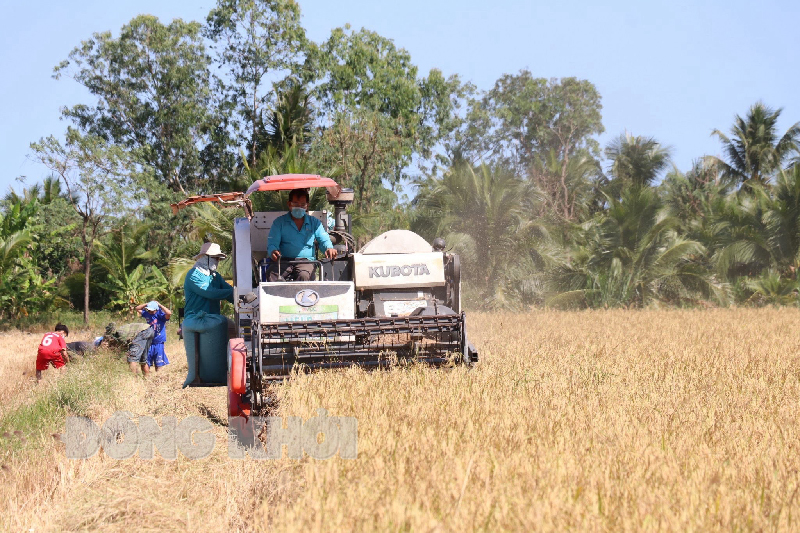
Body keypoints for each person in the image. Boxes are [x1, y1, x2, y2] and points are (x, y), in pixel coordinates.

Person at [182, 242, 234, 387]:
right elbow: (209, 292)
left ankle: (229, 372)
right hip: (195, 317)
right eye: (215, 258)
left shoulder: (215, 277)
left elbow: (229, 292)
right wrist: (232, 293)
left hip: (212, 318)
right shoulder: (193, 275)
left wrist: (240, 296)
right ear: (205, 258)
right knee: (224, 325)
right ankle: (198, 377)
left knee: (237, 331)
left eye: (218, 259)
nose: (218, 262)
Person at [266, 188, 337, 282]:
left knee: (304, 275)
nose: (299, 207)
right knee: (272, 274)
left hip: (306, 261)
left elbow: (324, 239)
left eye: (302, 204)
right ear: (289, 204)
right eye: (295, 204)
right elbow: (272, 243)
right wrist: (273, 251)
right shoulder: (279, 223)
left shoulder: (315, 223)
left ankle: (301, 296)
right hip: (283, 261)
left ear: (307, 206)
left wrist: (329, 248)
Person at [135, 300, 172, 371]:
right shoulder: (147, 314)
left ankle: (158, 377)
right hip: (148, 342)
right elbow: (137, 309)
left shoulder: (161, 316)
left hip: (158, 343)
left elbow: (169, 313)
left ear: (156, 310)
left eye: (152, 310)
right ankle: (146, 378)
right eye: (149, 310)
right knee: (145, 361)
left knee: (159, 362)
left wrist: (160, 305)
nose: (150, 312)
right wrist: (147, 304)